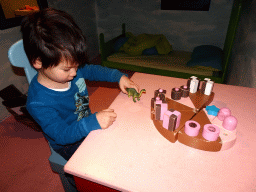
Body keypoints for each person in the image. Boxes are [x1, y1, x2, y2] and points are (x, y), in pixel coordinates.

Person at [21, 8, 139, 161]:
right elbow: (61, 135)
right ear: (38, 62)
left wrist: (118, 77)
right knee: (102, 162)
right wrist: (92, 123)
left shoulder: (71, 69)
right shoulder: (38, 103)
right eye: (67, 69)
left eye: (76, 66)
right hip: (68, 143)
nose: (75, 73)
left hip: (85, 123)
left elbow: (92, 70)